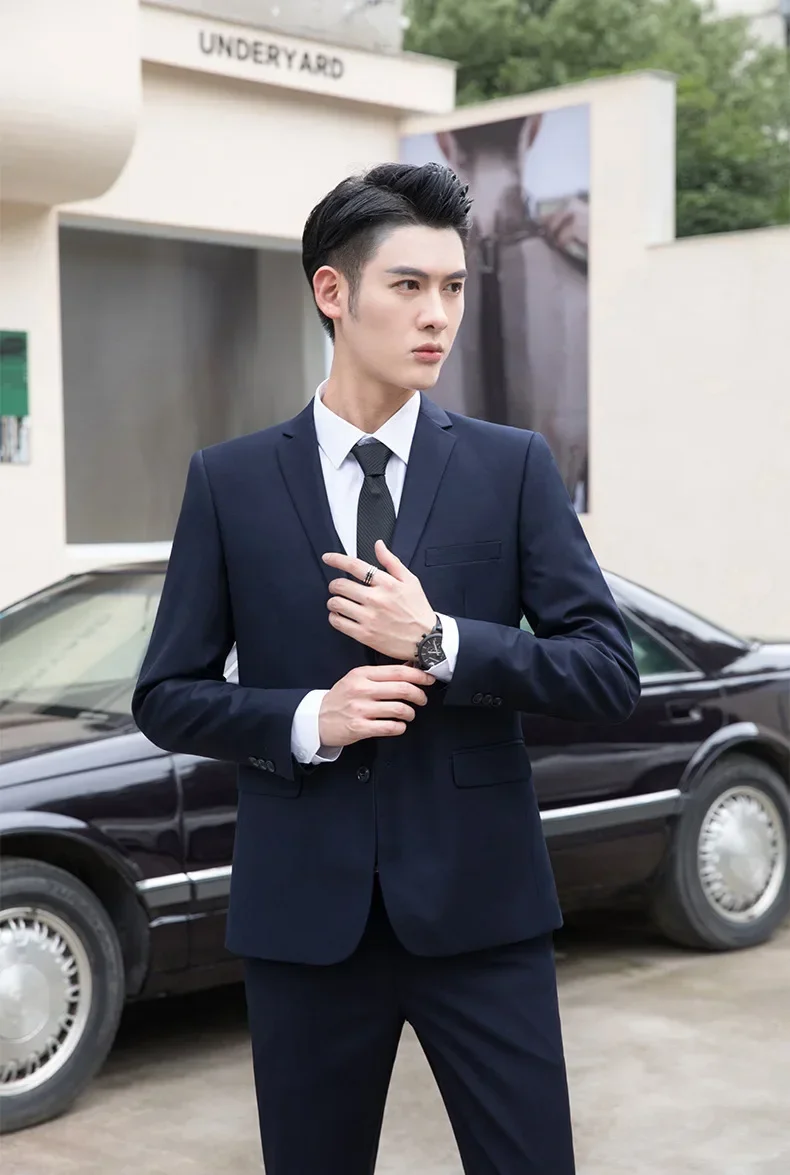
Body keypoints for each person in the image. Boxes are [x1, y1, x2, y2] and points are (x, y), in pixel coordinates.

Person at [132, 162, 640, 1175]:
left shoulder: (511, 467)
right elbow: (166, 695)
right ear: (334, 291)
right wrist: (306, 719)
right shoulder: (229, 481)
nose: (437, 315)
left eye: (453, 287)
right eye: (408, 285)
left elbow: (604, 672)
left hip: (483, 914)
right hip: (304, 924)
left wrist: (441, 640)